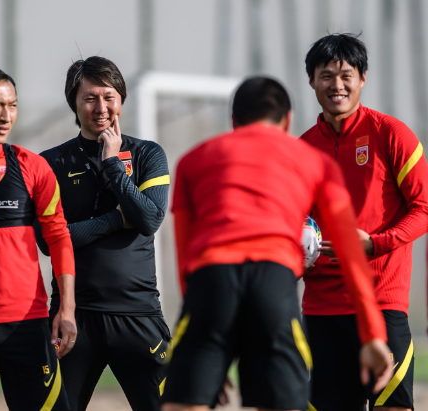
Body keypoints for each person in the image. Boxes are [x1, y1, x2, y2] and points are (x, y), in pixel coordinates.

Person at [162, 77, 394, 411]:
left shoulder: (192, 160)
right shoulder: (316, 162)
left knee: (183, 404)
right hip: (272, 280)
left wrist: (207, 331)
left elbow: (186, 256)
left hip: (211, 281)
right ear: (287, 120)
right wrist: (373, 334)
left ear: (233, 121)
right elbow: (350, 254)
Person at [300, 33, 428, 411]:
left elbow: (423, 207)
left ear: (362, 78)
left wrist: (375, 243)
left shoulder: (391, 134)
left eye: (346, 76)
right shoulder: (301, 149)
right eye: (326, 76)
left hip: (382, 302)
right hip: (321, 308)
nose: (336, 85)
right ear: (311, 81)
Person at [36, 56, 171, 411]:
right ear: (74, 103)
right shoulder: (50, 163)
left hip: (138, 315)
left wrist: (112, 162)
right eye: (90, 98)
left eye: (109, 97)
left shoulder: (147, 154)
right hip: (73, 317)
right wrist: (115, 220)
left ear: (121, 99)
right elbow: (48, 241)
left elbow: (149, 219)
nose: (101, 108)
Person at [0, 62, 76, 411]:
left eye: (13, 105)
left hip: (26, 325)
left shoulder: (32, 166)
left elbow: (59, 237)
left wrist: (66, 309)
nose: (7, 116)